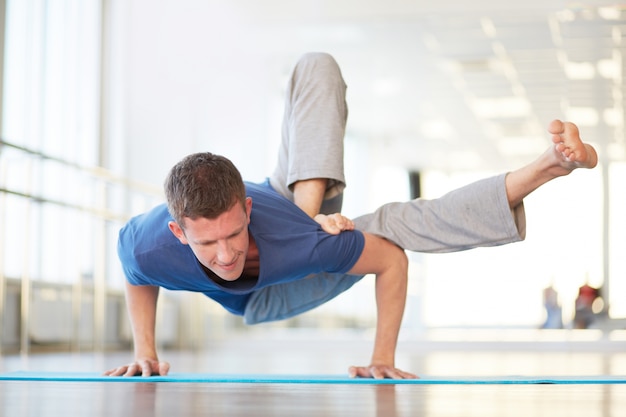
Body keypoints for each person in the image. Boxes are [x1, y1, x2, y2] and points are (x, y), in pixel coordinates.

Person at [104, 53, 598, 380]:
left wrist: (381, 357)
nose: (226, 253)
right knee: (315, 234)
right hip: (267, 298)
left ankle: (549, 166)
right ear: (177, 232)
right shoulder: (146, 244)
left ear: (247, 209)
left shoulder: (304, 240)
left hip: (299, 237)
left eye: (233, 233)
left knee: (317, 67)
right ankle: (306, 219)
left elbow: (392, 261)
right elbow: (135, 273)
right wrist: (144, 351)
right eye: (207, 244)